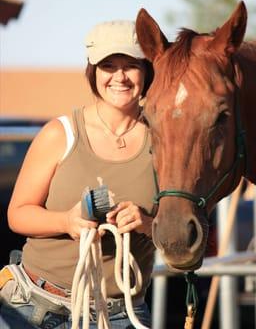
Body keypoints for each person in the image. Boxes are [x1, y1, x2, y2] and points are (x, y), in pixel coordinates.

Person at [0, 20, 157, 328]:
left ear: (146, 71)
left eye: (131, 65)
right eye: (108, 65)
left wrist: (147, 223)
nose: (120, 77)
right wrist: (68, 221)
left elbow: (186, 234)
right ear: (93, 71)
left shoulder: (165, 141)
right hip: (34, 305)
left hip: (122, 314)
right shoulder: (61, 133)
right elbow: (17, 214)